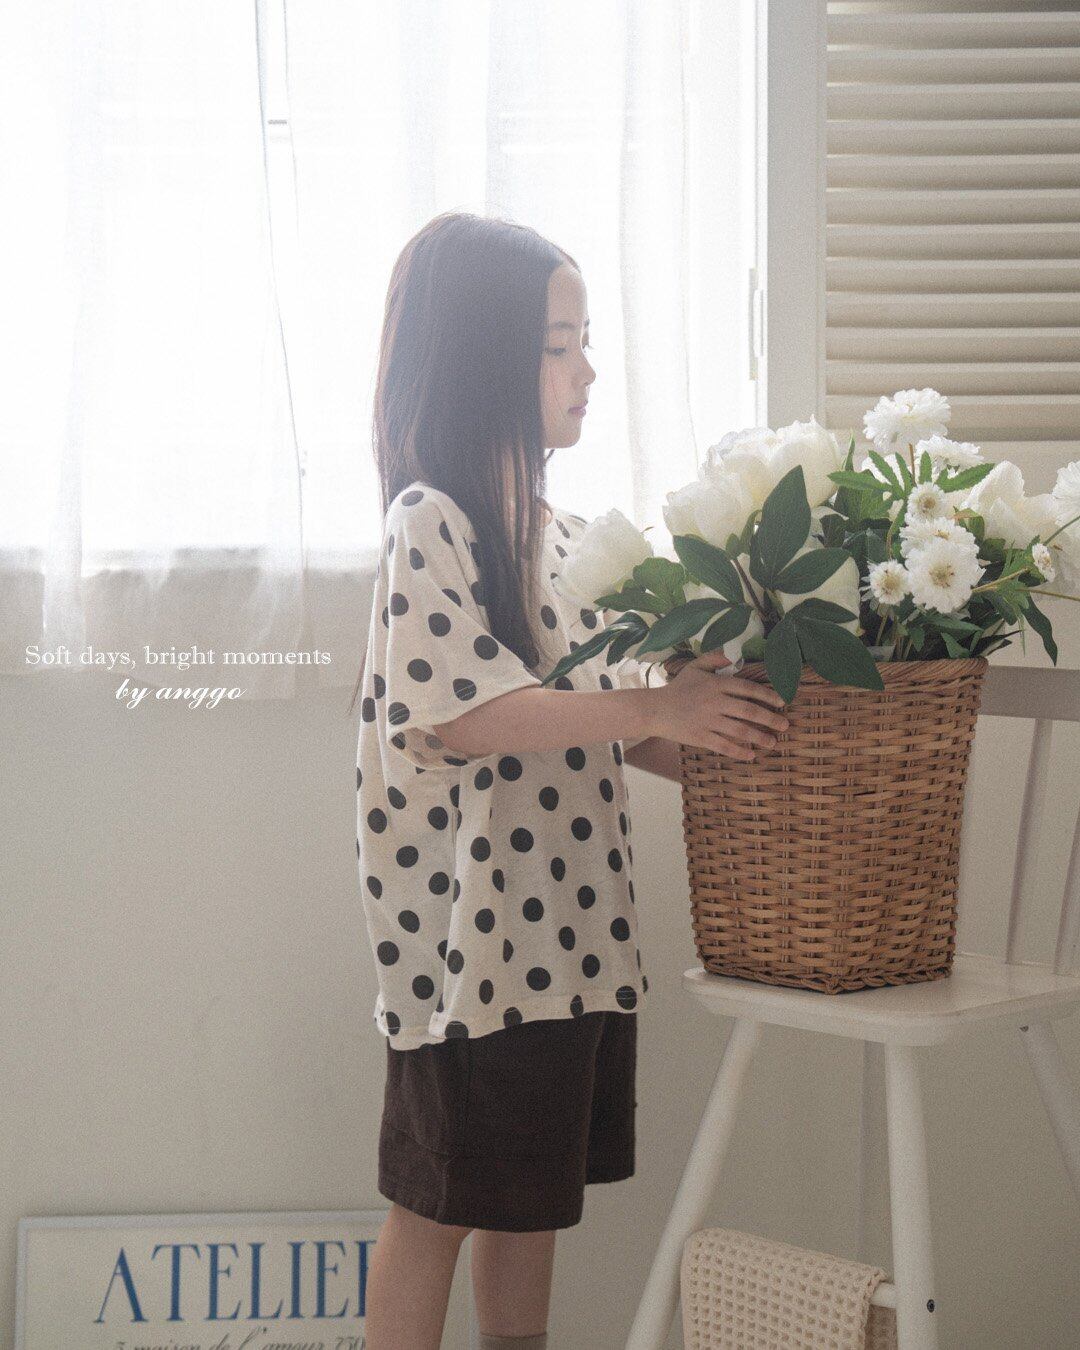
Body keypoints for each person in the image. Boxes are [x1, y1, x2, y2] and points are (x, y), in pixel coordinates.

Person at [351, 211, 790, 1350]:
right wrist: (655, 708)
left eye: (585, 341)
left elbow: (608, 725)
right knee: (438, 1206)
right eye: (559, 345)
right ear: (482, 359)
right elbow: (464, 713)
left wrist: (718, 733)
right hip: (474, 954)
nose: (587, 370)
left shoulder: (558, 533)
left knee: (529, 1201)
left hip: (570, 941)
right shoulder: (432, 521)